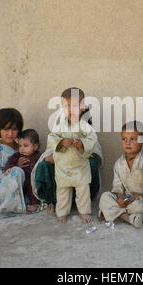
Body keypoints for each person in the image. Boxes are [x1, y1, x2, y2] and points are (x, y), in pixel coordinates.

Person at [99, 121, 143, 229]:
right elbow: (117, 186)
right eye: (124, 139)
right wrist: (120, 198)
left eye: (133, 139)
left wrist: (140, 195)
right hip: (126, 199)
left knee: (139, 207)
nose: (127, 143)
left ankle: (115, 212)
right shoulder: (118, 164)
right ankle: (129, 218)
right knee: (105, 197)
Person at [46, 87, 98, 224]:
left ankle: (84, 211)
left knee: (83, 190)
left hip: (80, 166)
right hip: (63, 167)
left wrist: (82, 143)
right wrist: (61, 142)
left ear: (82, 107)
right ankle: (62, 212)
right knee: (63, 191)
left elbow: (92, 138)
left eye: (74, 106)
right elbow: (51, 138)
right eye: (66, 106)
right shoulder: (60, 127)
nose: (70, 110)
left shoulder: (84, 126)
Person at [4, 129, 42, 214]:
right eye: (20, 146)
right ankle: (17, 205)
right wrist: (9, 169)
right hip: (20, 181)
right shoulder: (17, 156)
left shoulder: (38, 156)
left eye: (25, 146)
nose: (22, 149)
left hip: (32, 181)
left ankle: (35, 204)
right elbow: (9, 163)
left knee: (32, 186)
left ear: (35, 147)